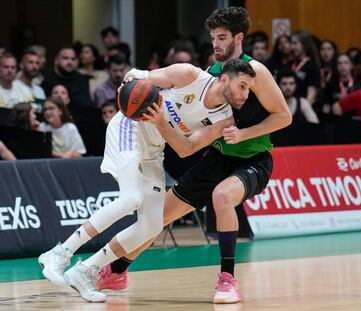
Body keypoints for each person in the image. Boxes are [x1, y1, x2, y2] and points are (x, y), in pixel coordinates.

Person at [96, 6, 291, 305]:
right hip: (217, 156)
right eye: (213, 37)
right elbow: (191, 136)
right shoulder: (212, 75)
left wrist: (244, 134)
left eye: (222, 37)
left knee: (223, 197)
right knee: (156, 218)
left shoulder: (256, 72)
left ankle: (228, 280)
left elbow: (283, 117)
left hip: (254, 158)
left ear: (239, 37)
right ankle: (118, 270)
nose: (215, 44)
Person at [38, 59, 257, 303]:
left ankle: (85, 270)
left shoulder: (225, 119)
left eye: (248, 89)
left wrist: (162, 121)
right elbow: (136, 75)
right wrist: (127, 88)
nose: (246, 95)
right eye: (243, 86)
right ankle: (60, 253)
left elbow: (186, 149)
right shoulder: (188, 75)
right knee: (131, 198)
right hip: (130, 127)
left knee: (152, 226)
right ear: (225, 79)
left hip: (154, 149)